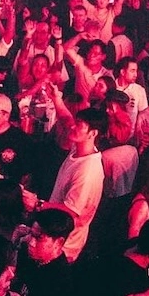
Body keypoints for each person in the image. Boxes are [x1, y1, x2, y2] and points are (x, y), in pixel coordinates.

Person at [47, 107, 107, 261]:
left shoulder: (87, 170)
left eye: (79, 124)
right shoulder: (79, 148)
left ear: (93, 133)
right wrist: (56, 99)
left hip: (64, 245)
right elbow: (67, 120)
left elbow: (71, 210)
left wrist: (38, 204)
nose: (73, 126)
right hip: (52, 231)